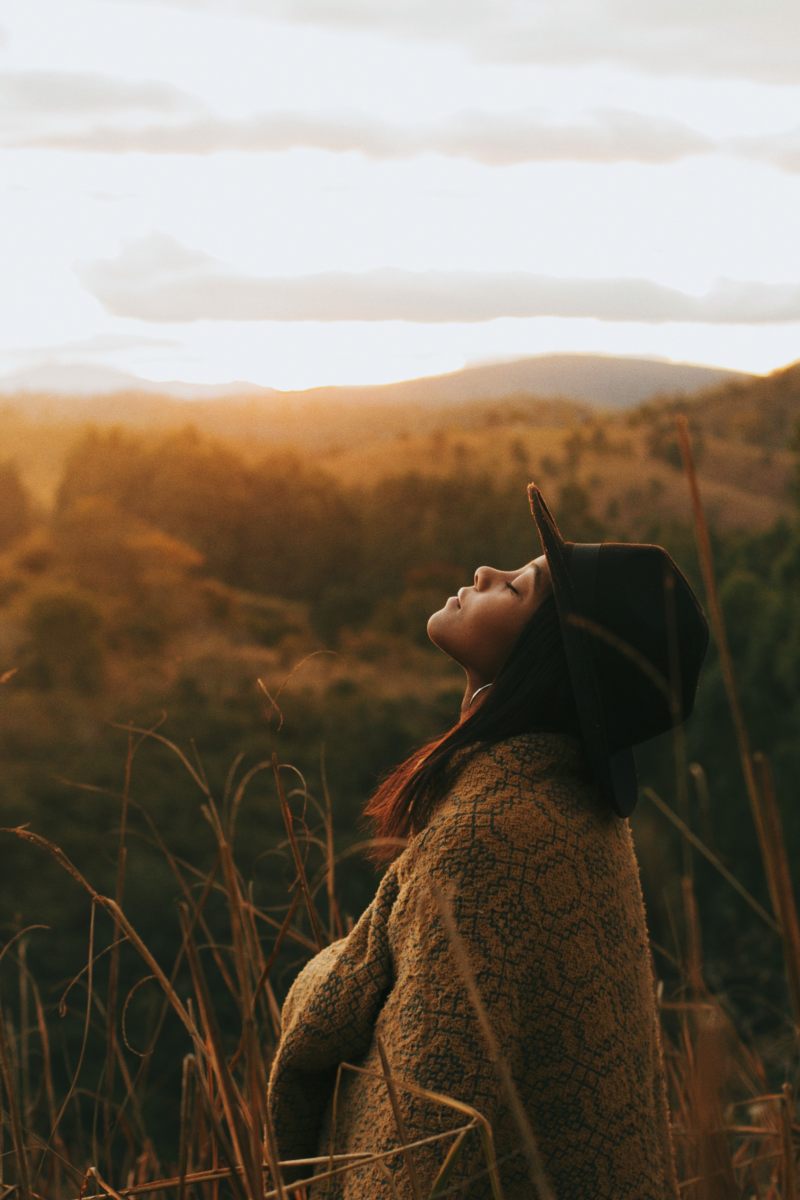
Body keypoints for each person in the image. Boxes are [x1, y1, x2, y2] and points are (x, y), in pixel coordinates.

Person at [267, 483, 709, 1199]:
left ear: (550, 652)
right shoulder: (569, 814)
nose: (484, 573)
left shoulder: (493, 837)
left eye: (521, 586)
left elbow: (421, 1135)